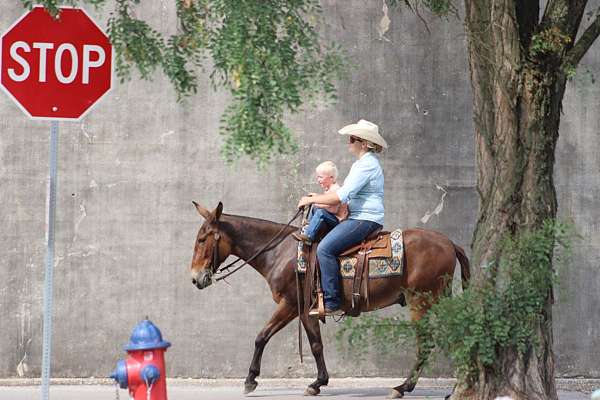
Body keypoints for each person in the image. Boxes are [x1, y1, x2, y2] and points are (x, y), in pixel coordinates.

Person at [297, 119, 387, 316]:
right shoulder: (361, 164)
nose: (349, 141)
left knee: (325, 249)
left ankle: (332, 300)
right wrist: (317, 200)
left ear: (364, 143)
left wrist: (310, 200)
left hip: (365, 219)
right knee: (320, 220)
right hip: (356, 217)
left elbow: (341, 196)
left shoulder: (367, 165)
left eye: (353, 138)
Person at [292, 161, 348, 244]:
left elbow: (334, 210)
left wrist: (316, 202)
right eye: (317, 177)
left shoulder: (335, 189)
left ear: (331, 178)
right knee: (316, 207)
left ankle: (309, 236)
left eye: (320, 177)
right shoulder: (330, 188)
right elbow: (326, 201)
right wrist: (317, 197)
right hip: (332, 217)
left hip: (338, 220)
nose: (318, 180)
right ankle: (309, 224)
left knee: (320, 212)